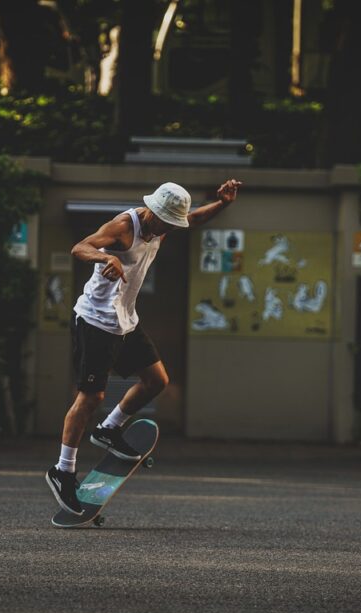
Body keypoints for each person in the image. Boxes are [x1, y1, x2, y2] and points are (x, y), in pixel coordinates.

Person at [46, 179, 243, 514]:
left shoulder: (163, 226)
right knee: (91, 396)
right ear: (153, 211)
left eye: (172, 224)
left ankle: (109, 429)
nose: (168, 229)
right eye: (165, 222)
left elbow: (193, 219)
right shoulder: (123, 227)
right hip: (94, 321)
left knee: (157, 381)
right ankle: (62, 472)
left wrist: (222, 204)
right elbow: (80, 246)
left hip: (125, 320)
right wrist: (106, 259)